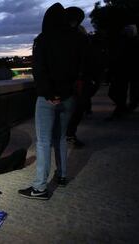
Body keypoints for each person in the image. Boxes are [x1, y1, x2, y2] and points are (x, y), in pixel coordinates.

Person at [18, 3, 85, 200]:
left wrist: (49, 94)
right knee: (61, 138)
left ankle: (39, 188)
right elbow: (80, 67)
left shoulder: (43, 39)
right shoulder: (77, 39)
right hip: (68, 97)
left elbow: (39, 70)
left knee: (44, 142)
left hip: (48, 99)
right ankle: (62, 176)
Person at [65, 7, 103, 148]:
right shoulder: (83, 40)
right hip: (79, 81)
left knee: (74, 109)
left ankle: (67, 134)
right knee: (77, 108)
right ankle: (69, 134)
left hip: (73, 81)